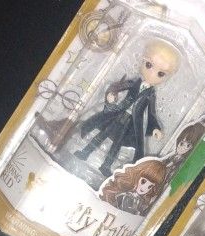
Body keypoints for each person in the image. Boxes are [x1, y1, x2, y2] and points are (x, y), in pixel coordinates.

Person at [74, 38, 181, 177]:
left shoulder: (150, 95)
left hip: (130, 124)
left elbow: (151, 114)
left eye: (161, 73)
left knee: (117, 145)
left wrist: (155, 128)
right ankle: (85, 152)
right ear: (142, 60)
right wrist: (111, 95)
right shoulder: (133, 83)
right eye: (149, 65)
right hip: (117, 114)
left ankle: (106, 166)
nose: (152, 73)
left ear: (167, 76)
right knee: (102, 134)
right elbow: (117, 87)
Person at [99, 157, 167, 214]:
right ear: (136, 176)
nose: (145, 188)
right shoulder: (126, 195)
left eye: (150, 186)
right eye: (143, 181)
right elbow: (124, 212)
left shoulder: (140, 200)